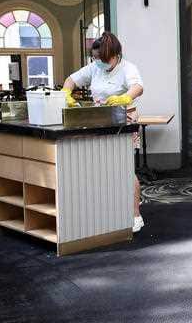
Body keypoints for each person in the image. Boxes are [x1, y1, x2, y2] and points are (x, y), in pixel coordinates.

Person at [62, 32, 145, 233]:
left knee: (124, 168)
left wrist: (124, 97)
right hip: (99, 121)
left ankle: (135, 215)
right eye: (95, 58)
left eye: (102, 59)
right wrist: (66, 94)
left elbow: (138, 87)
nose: (98, 62)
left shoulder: (128, 68)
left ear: (115, 55)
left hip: (122, 121)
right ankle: (107, 210)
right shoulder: (95, 67)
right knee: (100, 167)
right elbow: (70, 81)